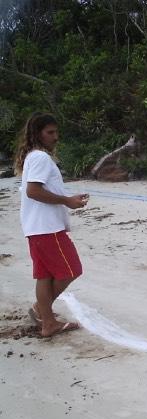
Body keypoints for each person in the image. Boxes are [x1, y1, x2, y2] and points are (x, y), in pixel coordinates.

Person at [14, 112, 88, 337]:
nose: (56, 137)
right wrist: (67, 201)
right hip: (46, 228)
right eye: (50, 132)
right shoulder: (40, 158)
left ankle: (47, 322)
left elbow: (39, 190)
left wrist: (68, 198)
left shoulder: (35, 157)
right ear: (37, 134)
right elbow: (33, 190)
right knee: (71, 269)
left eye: (56, 132)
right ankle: (43, 312)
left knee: (44, 275)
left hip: (37, 227)